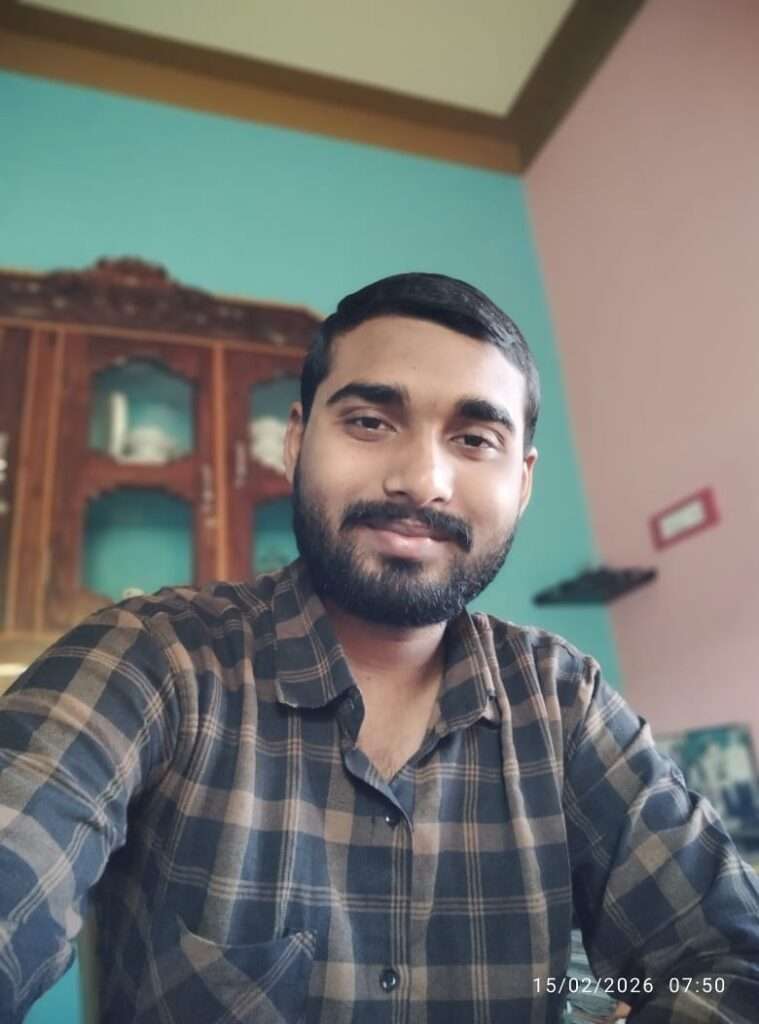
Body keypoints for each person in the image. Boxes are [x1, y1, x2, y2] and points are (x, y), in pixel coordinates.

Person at [0, 273, 758, 1024]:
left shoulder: (565, 703)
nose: (421, 481)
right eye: (369, 422)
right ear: (296, 441)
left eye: (474, 439)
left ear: (522, 483)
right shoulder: (151, 660)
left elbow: (732, 966)